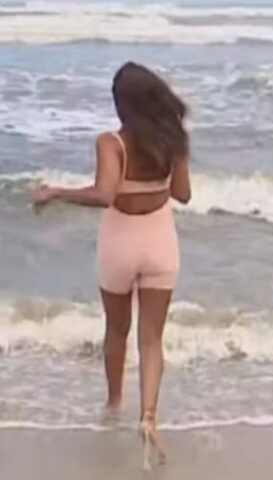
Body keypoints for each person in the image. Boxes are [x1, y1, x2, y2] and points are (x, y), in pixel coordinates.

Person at [33, 61, 192, 470]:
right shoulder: (174, 138)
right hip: (160, 242)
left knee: (117, 330)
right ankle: (149, 417)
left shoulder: (111, 142)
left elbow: (104, 195)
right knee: (152, 339)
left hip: (120, 242)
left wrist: (57, 192)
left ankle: (114, 404)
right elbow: (183, 194)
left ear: (122, 104)